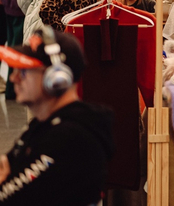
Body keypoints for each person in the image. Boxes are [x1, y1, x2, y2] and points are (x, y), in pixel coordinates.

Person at [0, 28, 114, 205]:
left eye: (23, 71)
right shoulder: (44, 123)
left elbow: (9, 196)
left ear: (56, 79)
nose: (14, 78)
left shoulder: (71, 137)